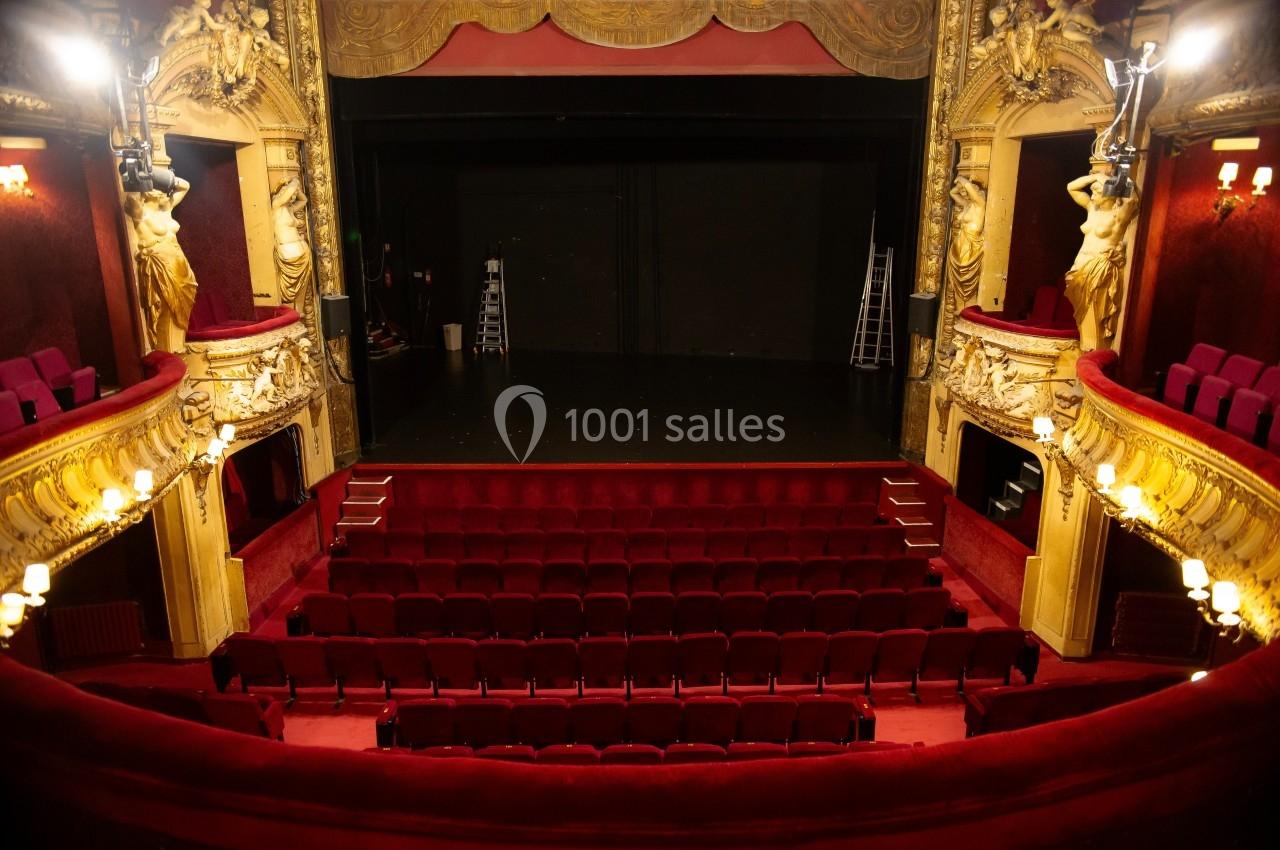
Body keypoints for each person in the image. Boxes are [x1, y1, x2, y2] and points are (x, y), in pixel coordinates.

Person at [1064, 171, 1140, 348]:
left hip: (1099, 269)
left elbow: (1132, 201)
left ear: (1109, 194)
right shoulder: (1092, 209)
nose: (1093, 195)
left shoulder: (1117, 217)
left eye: (1097, 192)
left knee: (1094, 316)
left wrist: (1122, 177)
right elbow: (1071, 187)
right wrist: (1095, 177)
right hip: (1079, 268)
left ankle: (1093, 352)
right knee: (1082, 317)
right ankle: (1087, 351)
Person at [124, 177, 198, 352]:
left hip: (179, 264)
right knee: (168, 308)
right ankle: (170, 352)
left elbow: (185, 185)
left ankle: (177, 349)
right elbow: (130, 197)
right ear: (152, 193)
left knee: (183, 306)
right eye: (163, 190)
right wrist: (142, 175)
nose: (168, 192)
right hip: (161, 265)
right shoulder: (140, 211)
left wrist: (156, 174)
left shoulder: (166, 210)